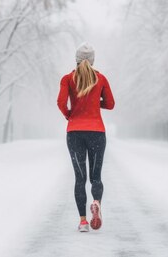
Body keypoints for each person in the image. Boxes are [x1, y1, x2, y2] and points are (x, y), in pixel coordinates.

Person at [57, 42, 115, 232]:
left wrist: (69, 114)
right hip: (97, 132)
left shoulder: (67, 79)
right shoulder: (101, 79)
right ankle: (96, 202)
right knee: (96, 177)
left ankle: (83, 222)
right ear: (92, 60)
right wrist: (95, 102)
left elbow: (60, 102)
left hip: (74, 133)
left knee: (80, 179)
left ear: (76, 59)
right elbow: (111, 104)